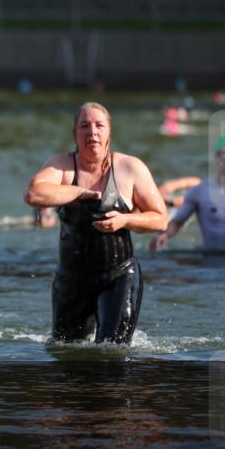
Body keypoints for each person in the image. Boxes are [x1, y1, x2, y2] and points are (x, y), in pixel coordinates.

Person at [24, 102, 168, 344]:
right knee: (66, 352)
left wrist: (125, 220)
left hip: (119, 276)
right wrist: (78, 193)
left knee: (112, 351)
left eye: (99, 125)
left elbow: (160, 219)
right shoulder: (62, 166)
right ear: (75, 134)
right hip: (72, 279)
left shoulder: (130, 168)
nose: (92, 132)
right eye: (84, 126)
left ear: (109, 132)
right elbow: (33, 193)